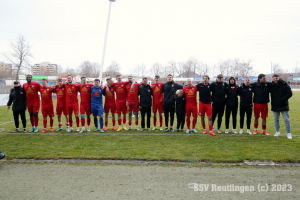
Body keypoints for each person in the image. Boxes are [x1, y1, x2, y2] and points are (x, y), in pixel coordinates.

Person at [271, 74, 293, 139]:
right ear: (273, 79)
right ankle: (277, 132)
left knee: (286, 120)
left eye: (276, 78)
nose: (275, 80)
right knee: (276, 119)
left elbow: (290, 93)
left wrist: (282, 100)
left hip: (283, 105)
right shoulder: (271, 85)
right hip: (275, 105)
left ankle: (289, 133)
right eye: (274, 78)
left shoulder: (284, 84)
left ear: (279, 78)